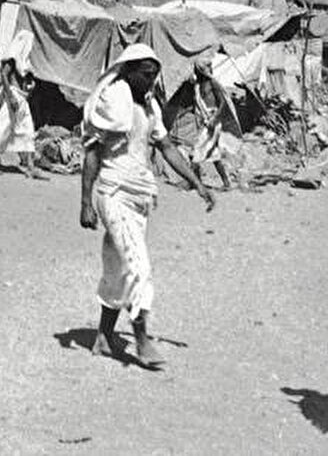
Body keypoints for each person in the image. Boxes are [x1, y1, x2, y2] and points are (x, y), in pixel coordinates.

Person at [79, 44, 215, 369]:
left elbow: (166, 146)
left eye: (155, 72)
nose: (151, 78)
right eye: (145, 72)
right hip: (113, 192)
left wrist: (197, 183)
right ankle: (141, 340)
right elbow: (93, 151)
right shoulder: (114, 99)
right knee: (139, 266)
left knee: (116, 265)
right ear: (129, 70)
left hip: (139, 195)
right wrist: (86, 201)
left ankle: (103, 334)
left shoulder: (150, 105)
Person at [0, 56, 43, 179]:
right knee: (2, 130)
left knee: (28, 131)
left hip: (23, 99)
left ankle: (30, 167)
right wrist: (10, 97)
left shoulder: (28, 61)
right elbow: (4, 74)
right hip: (13, 96)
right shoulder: (13, 58)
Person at [188, 58, 236, 190]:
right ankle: (226, 183)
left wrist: (214, 118)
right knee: (213, 154)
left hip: (213, 121)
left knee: (197, 150)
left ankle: (192, 181)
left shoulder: (212, 83)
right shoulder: (197, 85)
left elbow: (223, 103)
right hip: (204, 121)